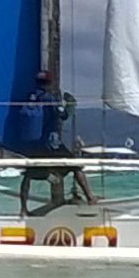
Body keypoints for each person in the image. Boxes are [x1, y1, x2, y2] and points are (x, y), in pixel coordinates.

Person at [21, 71, 93, 214]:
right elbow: (64, 115)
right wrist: (70, 104)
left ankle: (23, 209)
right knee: (75, 165)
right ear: (50, 83)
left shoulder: (29, 97)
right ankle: (90, 198)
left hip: (32, 145)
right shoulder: (50, 99)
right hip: (49, 144)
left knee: (28, 175)